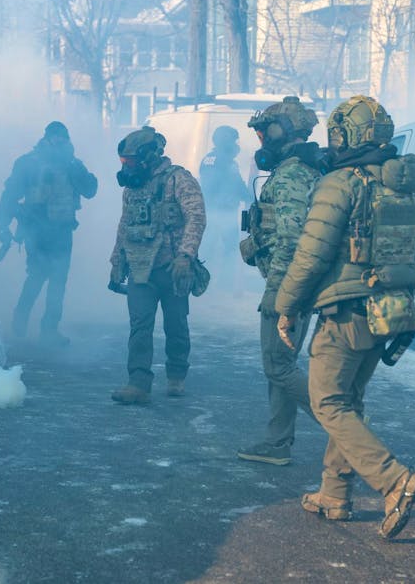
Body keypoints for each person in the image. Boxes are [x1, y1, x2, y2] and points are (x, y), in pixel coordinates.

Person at [274, 95, 415, 539]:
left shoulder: (340, 184)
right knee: (349, 401)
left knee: (327, 402)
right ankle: (334, 494)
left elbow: (310, 257)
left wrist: (287, 307)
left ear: (346, 136)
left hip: (345, 313)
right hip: (390, 312)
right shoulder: (413, 187)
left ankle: (395, 481)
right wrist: (396, 298)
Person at [236, 96, 326, 466]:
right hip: (296, 282)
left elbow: (291, 241)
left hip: (289, 284)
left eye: (262, 134)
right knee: (282, 363)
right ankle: (277, 442)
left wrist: (278, 292)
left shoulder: (291, 175)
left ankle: (347, 426)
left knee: (278, 365)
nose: (259, 142)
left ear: (280, 132)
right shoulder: (299, 170)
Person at [108, 126, 206, 405]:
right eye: (124, 162)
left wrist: (186, 256)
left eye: (131, 162)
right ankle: (138, 383)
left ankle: (176, 375)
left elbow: (196, 217)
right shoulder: (132, 187)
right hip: (140, 268)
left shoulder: (178, 180)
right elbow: (125, 224)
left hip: (173, 268)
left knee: (176, 324)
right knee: (140, 325)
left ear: (148, 156)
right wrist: (117, 261)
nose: (127, 168)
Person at [0, 120, 97, 345]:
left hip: (62, 231)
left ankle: (50, 330)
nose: (59, 142)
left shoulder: (72, 164)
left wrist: (75, 168)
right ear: (47, 138)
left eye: (64, 138)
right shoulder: (28, 163)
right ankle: (21, 316)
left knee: (58, 281)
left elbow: (90, 190)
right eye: (56, 138)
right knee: (37, 275)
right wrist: (2, 225)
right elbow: (9, 196)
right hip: (35, 229)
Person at [198, 126, 251, 287]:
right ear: (225, 141)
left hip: (209, 210)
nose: (236, 145)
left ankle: (202, 282)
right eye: (233, 141)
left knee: (207, 247)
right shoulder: (226, 161)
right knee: (230, 249)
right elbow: (237, 184)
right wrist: (250, 197)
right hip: (224, 212)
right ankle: (225, 283)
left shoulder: (208, 159)